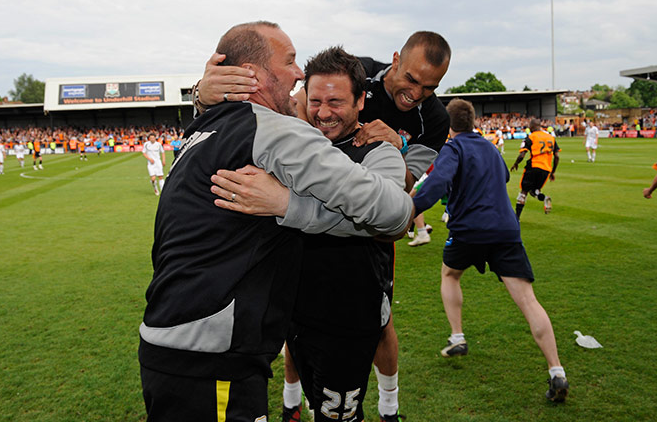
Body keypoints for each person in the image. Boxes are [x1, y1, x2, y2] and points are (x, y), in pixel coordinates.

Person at [138, 21, 413, 422]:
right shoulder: (276, 132)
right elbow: (396, 213)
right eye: (290, 62)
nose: (298, 75)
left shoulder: (204, 127)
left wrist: (285, 203)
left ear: (360, 104)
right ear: (252, 74)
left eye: (336, 101)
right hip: (211, 353)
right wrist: (288, 204)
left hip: (184, 344)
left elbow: (394, 213)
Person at [197, 30, 452, 421]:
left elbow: (395, 207)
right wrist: (204, 95)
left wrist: (394, 151)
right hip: (296, 278)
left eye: (429, 88)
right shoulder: (355, 72)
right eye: (412, 81)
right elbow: (279, 106)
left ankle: (388, 406)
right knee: (295, 336)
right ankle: (291, 401)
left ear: (360, 102)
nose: (416, 94)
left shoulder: (430, 121)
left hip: (355, 277)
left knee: (379, 329)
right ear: (396, 60)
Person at [412, 98, 569, 402]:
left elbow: (436, 183)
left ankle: (458, 336)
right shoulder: (490, 147)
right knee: (528, 300)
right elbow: (506, 177)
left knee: (450, 274)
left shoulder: (453, 148)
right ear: (473, 123)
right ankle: (556, 371)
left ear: (449, 126)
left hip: (469, 230)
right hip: (505, 230)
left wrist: (409, 209)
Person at [510, 119, 560, 220]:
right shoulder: (551, 137)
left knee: (523, 192)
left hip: (534, 166)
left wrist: (515, 163)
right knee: (534, 191)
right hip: (546, 169)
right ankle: (543, 197)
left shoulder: (531, 137)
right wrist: (553, 172)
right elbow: (557, 156)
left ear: (532, 127)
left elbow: (522, 154)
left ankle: (517, 218)